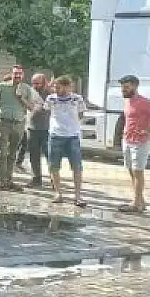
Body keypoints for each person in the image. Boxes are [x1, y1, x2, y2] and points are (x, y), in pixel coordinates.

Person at [0, 65, 37, 191]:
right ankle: (1, 181)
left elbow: (32, 107)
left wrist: (21, 98)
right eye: (15, 73)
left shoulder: (27, 89)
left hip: (19, 124)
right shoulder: (2, 86)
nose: (18, 76)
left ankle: (9, 181)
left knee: (12, 154)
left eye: (20, 74)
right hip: (3, 123)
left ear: (23, 75)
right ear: (12, 74)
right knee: (2, 153)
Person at [44, 75, 87, 207]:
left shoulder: (77, 99)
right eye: (55, 87)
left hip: (72, 136)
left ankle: (78, 196)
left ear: (68, 87)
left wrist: (73, 125)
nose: (56, 89)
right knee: (54, 165)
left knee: (77, 166)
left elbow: (81, 114)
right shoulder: (51, 98)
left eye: (59, 87)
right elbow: (47, 111)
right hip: (56, 135)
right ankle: (58, 193)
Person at [118, 75, 150, 214]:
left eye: (126, 87)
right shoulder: (128, 101)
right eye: (122, 87)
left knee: (138, 172)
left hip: (141, 141)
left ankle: (136, 203)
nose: (124, 90)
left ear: (135, 86)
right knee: (131, 170)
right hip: (127, 139)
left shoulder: (145, 102)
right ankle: (141, 200)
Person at [21, 73, 51, 189]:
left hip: (47, 129)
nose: (35, 85)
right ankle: (36, 179)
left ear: (44, 82)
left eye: (37, 83)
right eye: (33, 83)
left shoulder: (50, 94)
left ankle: (54, 179)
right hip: (32, 128)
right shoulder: (30, 92)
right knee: (34, 156)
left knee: (50, 156)